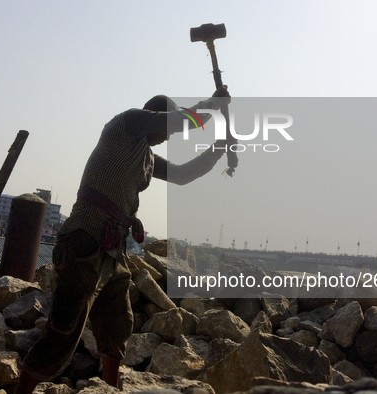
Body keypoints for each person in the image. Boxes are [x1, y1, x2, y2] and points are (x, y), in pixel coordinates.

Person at [15, 87, 230, 393]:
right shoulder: (125, 125)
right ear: (155, 119)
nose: (168, 138)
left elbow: (184, 174)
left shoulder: (147, 158)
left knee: (118, 323)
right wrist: (213, 104)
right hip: (84, 241)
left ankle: (109, 387)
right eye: (166, 130)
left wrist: (219, 148)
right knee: (64, 330)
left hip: (112, 252)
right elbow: (181, 120)